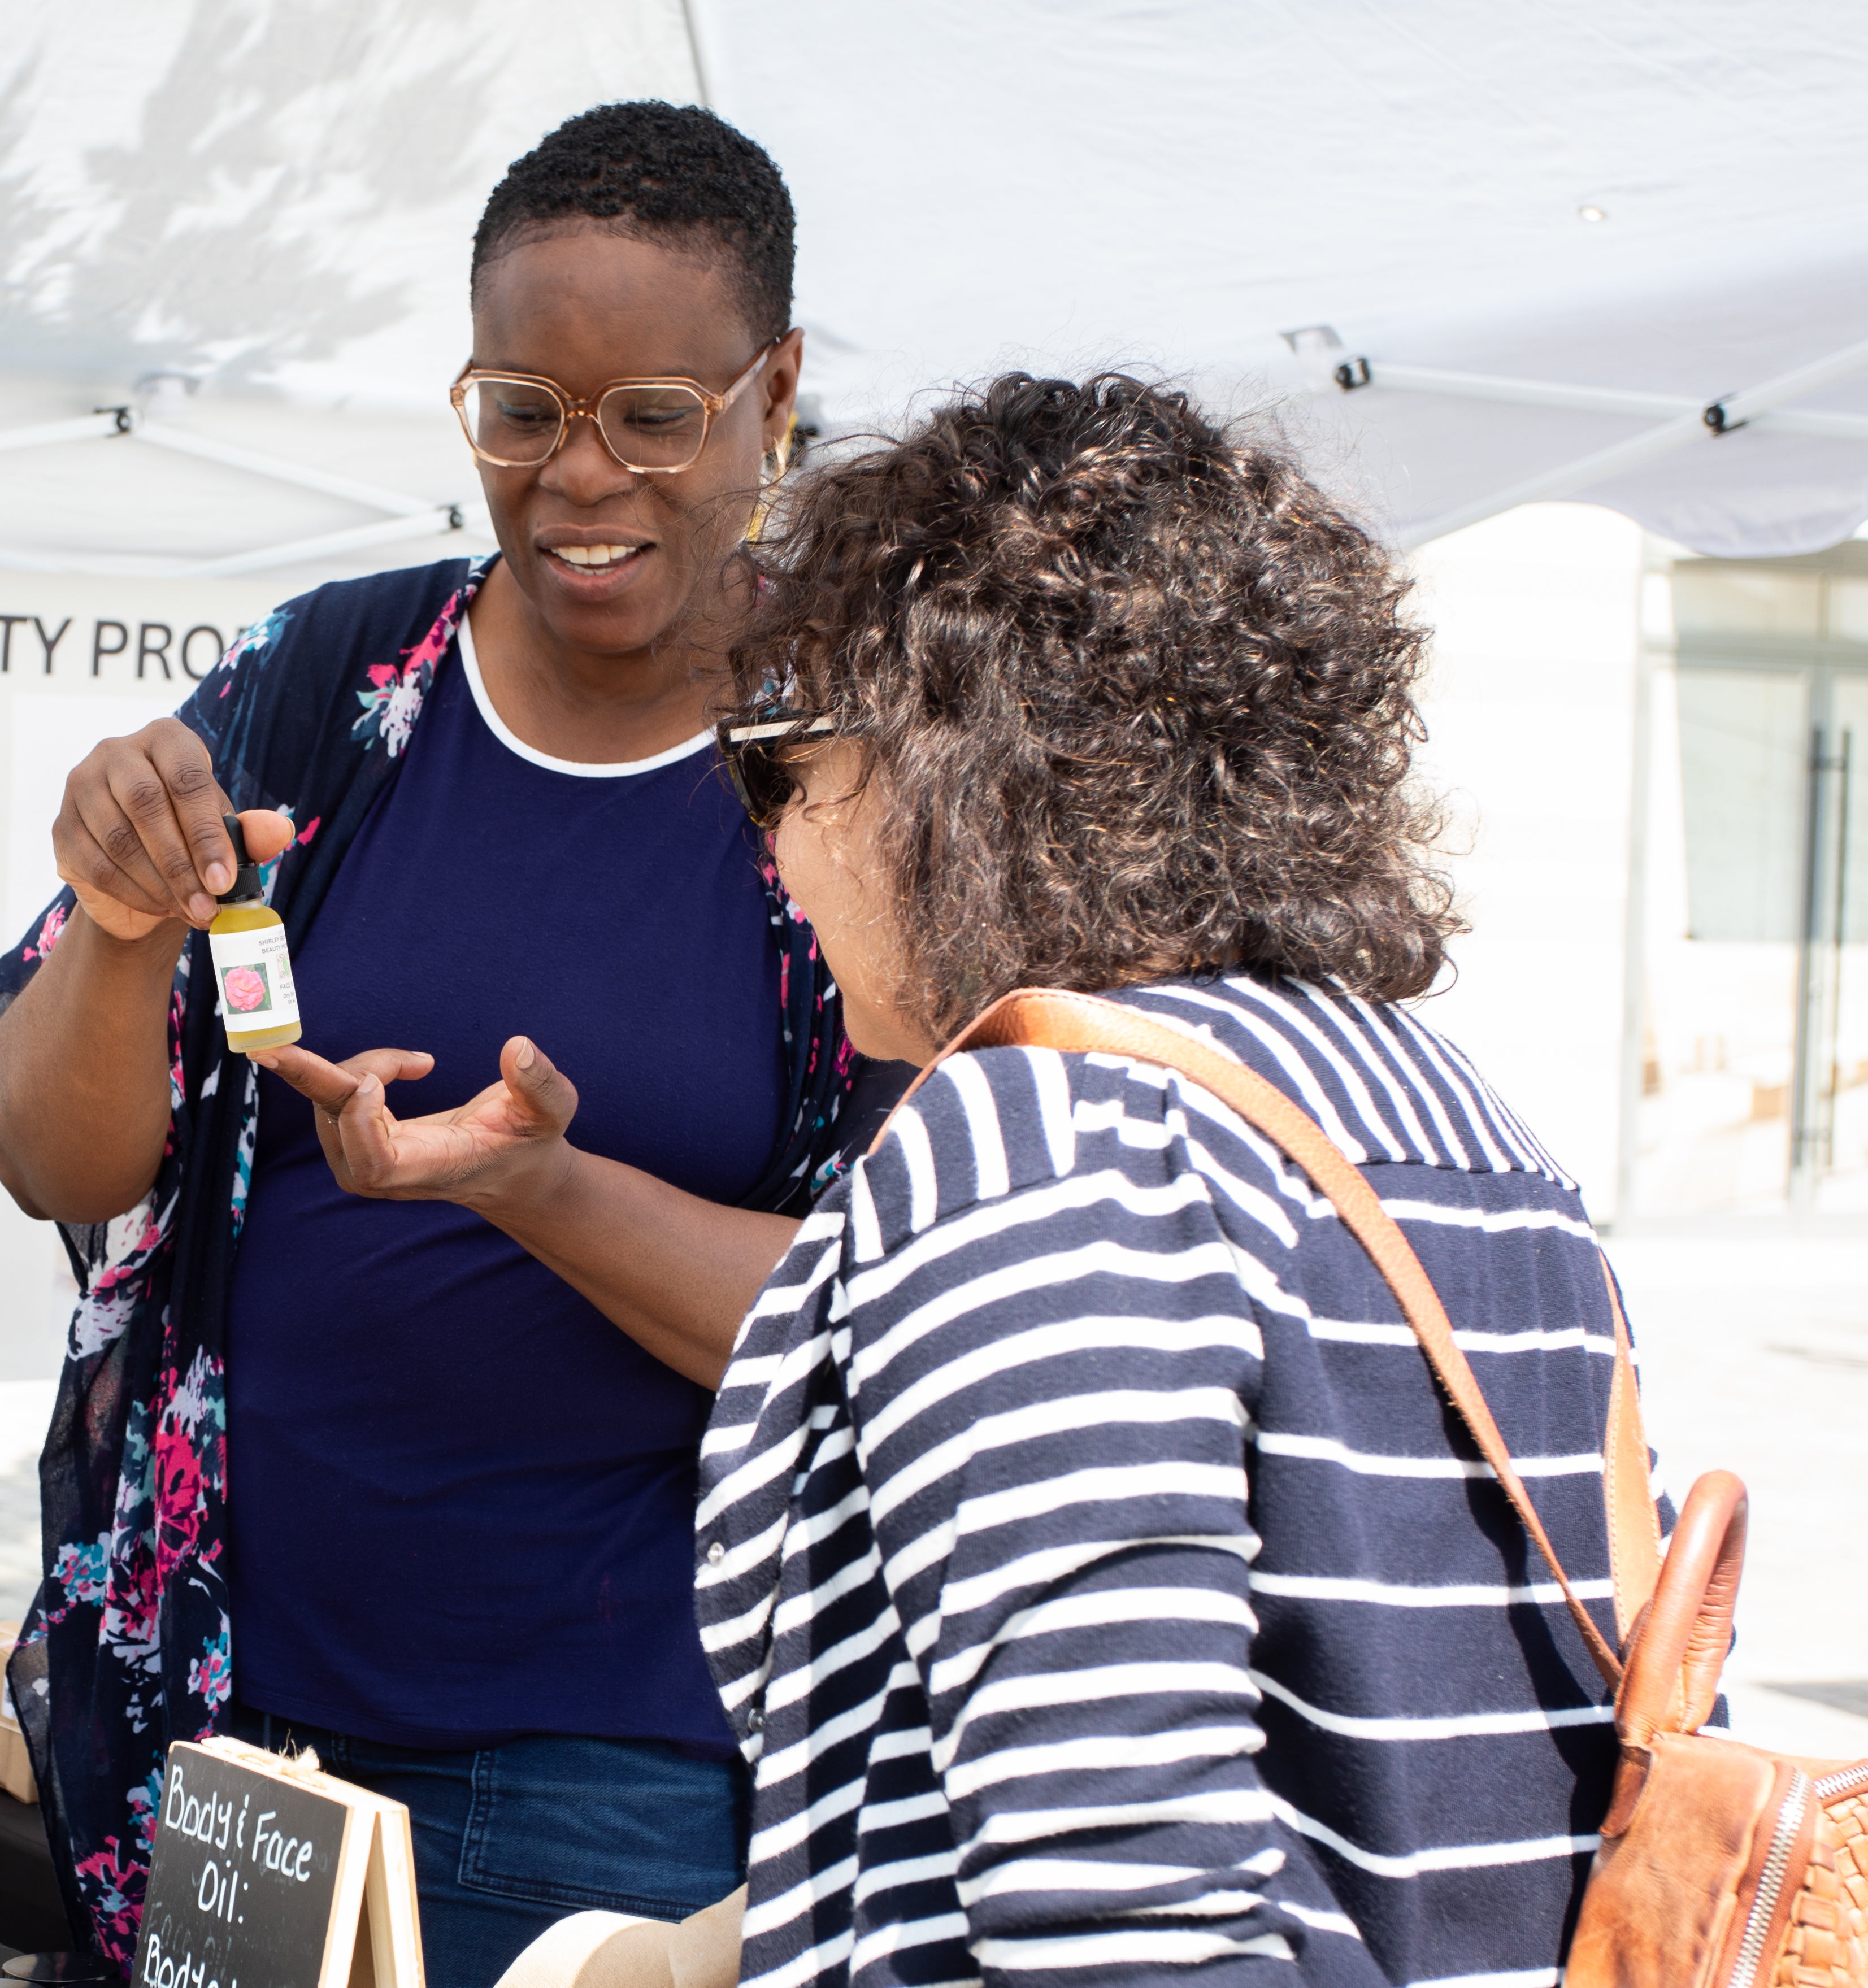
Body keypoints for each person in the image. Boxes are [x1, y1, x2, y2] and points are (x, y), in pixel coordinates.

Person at [0, 103, 903, 1983]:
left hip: (606, 1761)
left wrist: (539, 1187)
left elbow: (904, 1317)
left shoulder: (860, 779)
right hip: (224, 1718)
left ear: (775, 389)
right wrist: (123, 936)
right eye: (521, 413)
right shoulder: (331, 688)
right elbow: (54, 1160)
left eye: (655, 415)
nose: (579, 481)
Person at [699, 373, 1650, 1988]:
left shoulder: (1042, 1136)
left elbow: (1124, 1903)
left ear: (959, 763)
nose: (773, 840)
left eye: (786, 760)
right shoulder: (1464, 1124)